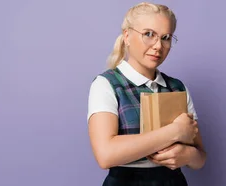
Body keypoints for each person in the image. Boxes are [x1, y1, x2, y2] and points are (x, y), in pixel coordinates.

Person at [87, 2, 207, 186]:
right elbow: (106, 155)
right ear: (127, 36)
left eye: (166, 37)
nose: (158, 46)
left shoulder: (177, 87)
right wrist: (175, 132)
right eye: (149, 34)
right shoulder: (107, 84)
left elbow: (200, 158)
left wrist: (187, 155)